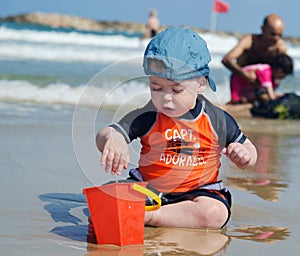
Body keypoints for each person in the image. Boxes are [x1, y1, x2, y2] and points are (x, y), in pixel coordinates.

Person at [95, 27, 257, 232]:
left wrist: (245, 155)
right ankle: (149, 211)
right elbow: (107, 133)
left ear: (201, 84)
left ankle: (152, 216)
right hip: (149, 190)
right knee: (106, 194)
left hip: (198, 193)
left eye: (176, 89)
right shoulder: (148, 115)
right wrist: (113, 140)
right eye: (156, 87)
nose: (166, 97)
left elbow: (249, 148)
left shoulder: (216, 119)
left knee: (214, 214)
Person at [222, 14, 287, 85]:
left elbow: (285, 70)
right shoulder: (250, 41)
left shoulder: (280, 48)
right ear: (263, 29)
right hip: (241, 81)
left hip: (263, 84)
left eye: (279, 35)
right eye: (273, 34)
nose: (276, 38)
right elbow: (226, 59)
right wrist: (245, 74)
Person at [229, 53, 294, 104]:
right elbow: (271, 96)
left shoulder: (273, 78)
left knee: (249, 101)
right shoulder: (266, 71)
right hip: (237, 80)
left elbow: (272, 92)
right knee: (235, 100)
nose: (283, 78)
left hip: (249, 86)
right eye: (283, 75)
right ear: (279, 70)